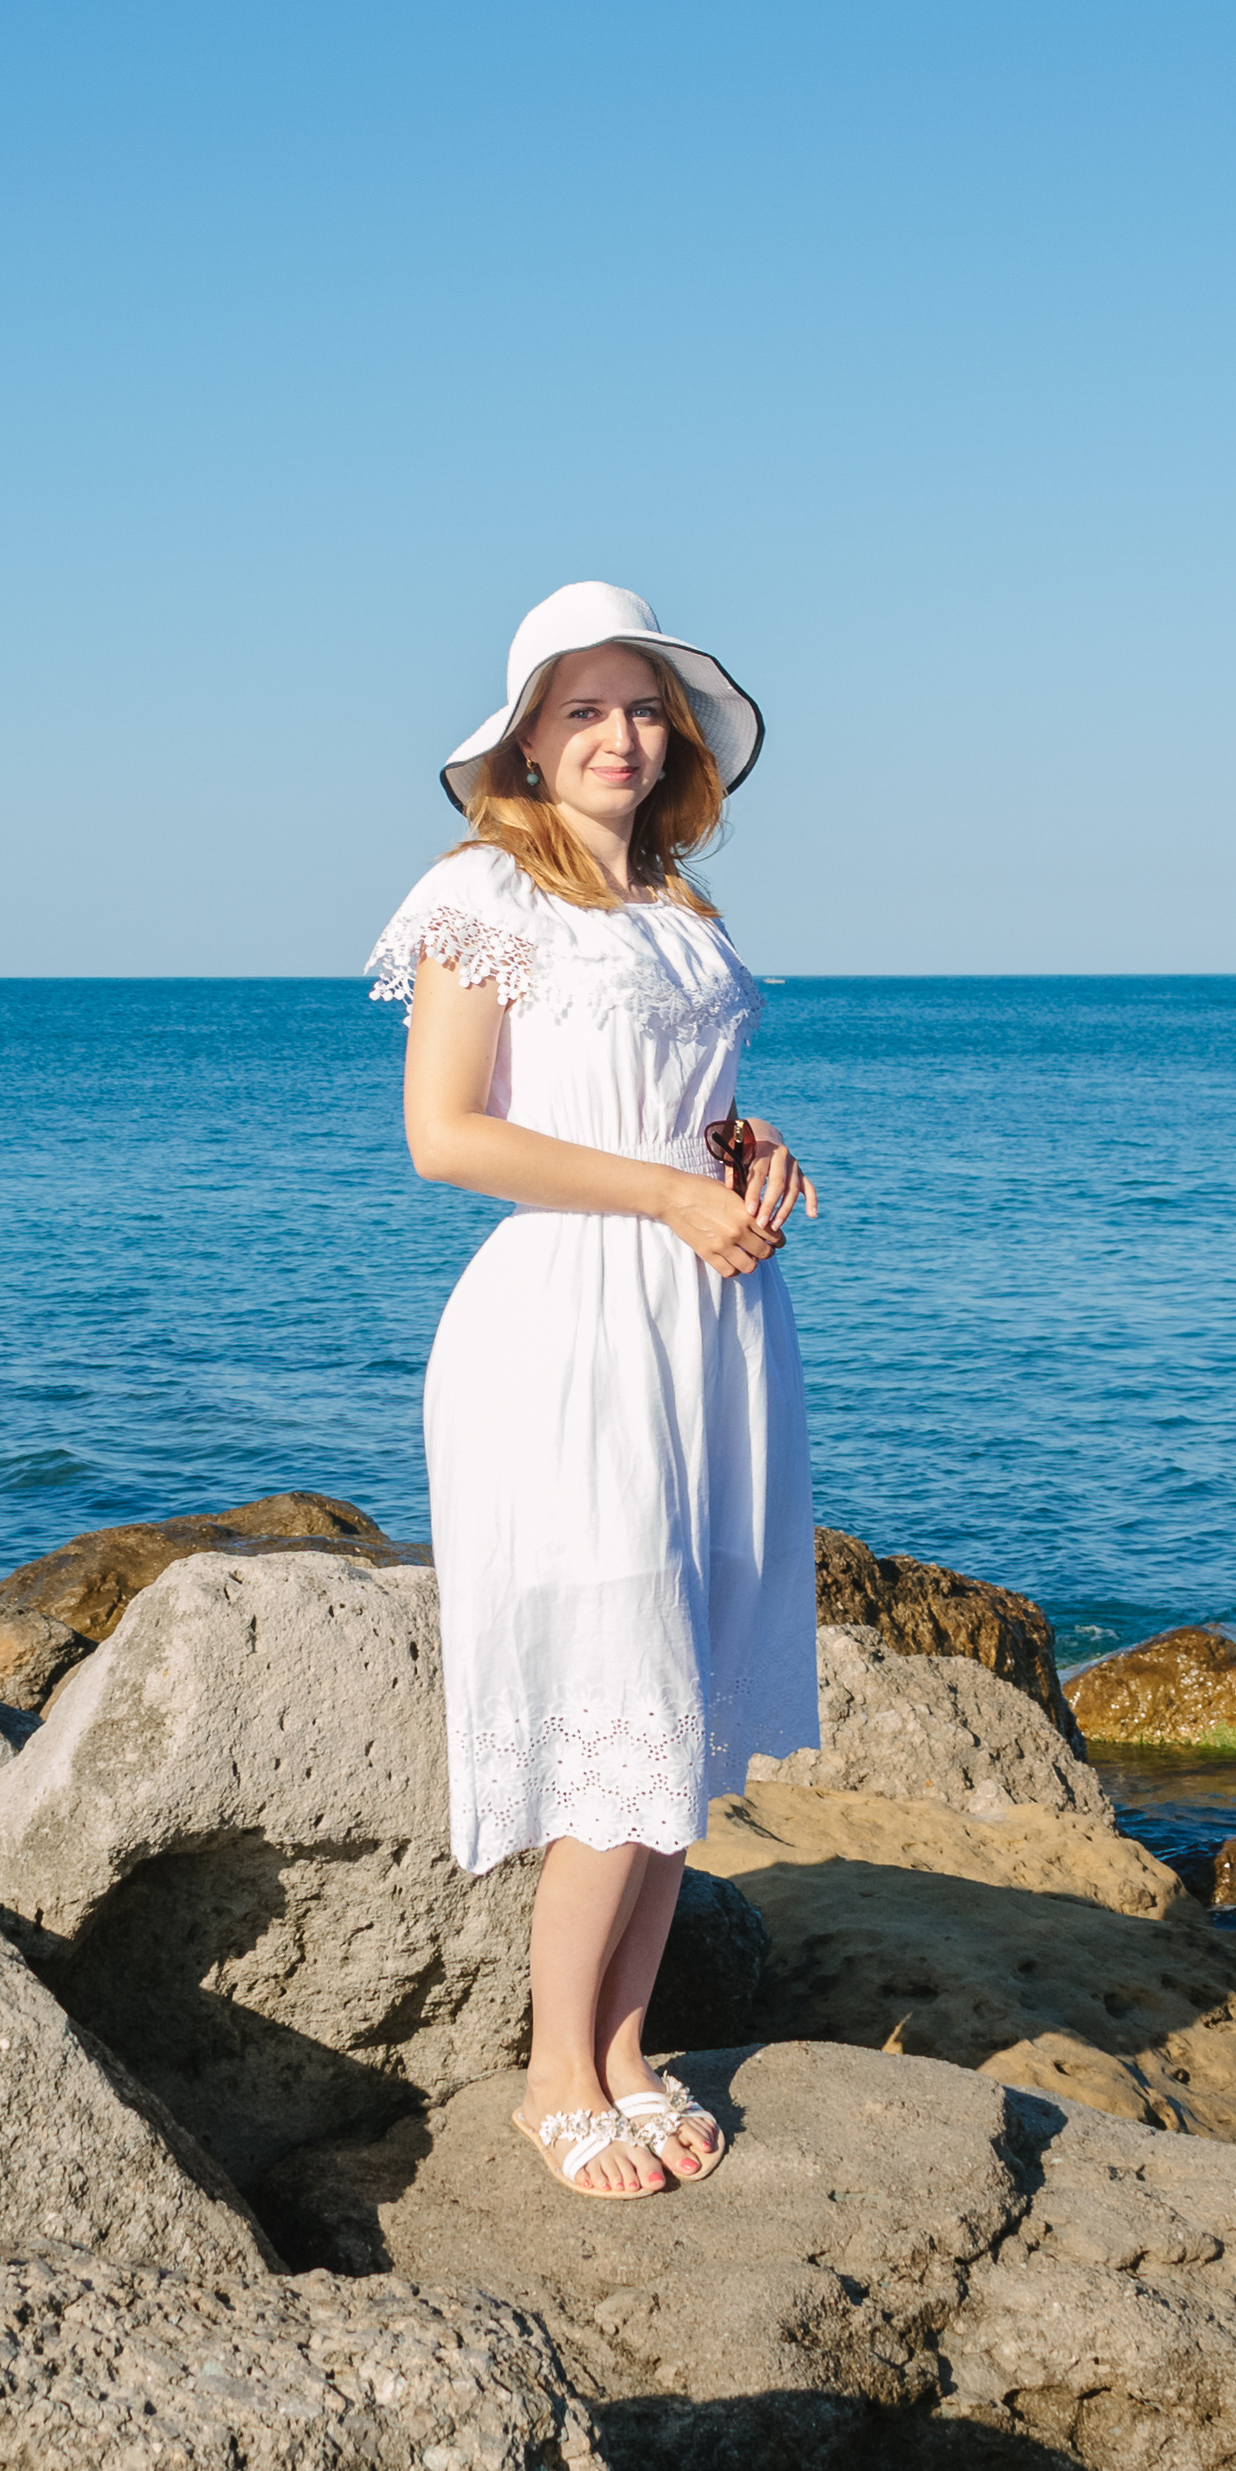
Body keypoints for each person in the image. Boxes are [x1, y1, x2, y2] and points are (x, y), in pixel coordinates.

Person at [368, 580, 821, 2197]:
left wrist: (742, 1151)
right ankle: (553, 2071)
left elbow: (658, 1099)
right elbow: (450, 1135)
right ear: (526, 743)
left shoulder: (679, 910)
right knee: (613, 1694)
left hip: (708, 1314)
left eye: (642, 707)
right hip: (570, 1323)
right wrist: (665, 1195)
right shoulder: (485, 894)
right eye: (584, 710)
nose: (621, 735)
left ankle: (629, 2045)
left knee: (681, 1693)